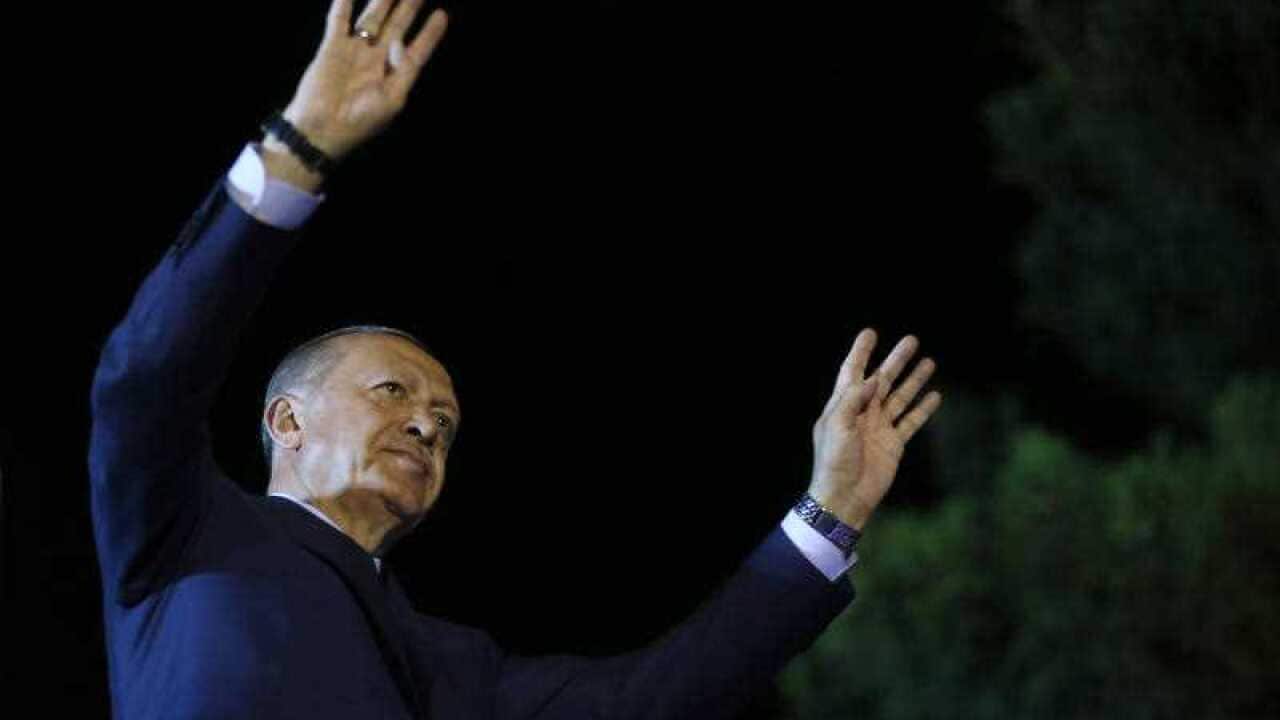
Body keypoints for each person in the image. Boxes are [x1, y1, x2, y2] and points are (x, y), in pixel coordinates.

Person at [88, 1, 944, 717]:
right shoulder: (188, 529)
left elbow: (651, 700)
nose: (425, 423)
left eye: (445, 425)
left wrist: (829, 511)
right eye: (393, 392)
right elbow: (149, 374)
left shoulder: (447, 665)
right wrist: (298, 148)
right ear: (287, 420)